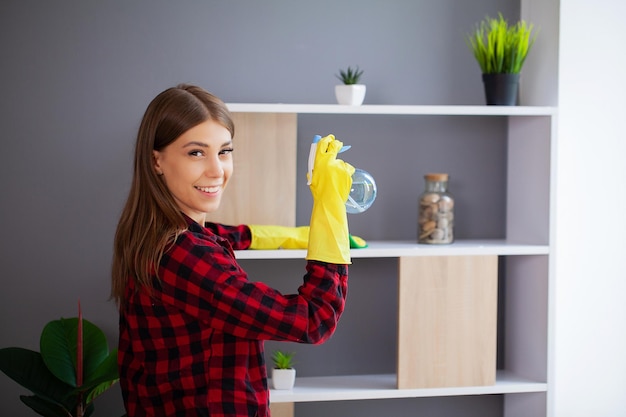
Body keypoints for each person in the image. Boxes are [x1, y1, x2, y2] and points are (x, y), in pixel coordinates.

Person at [110, 84, 359, 417]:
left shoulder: (154, 234)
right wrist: (330, 209)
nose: (217, 170)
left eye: (224, 151)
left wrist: (288, 235)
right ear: (157, 160)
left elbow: (224, 235)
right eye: (196, 152)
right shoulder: (185, 254)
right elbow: (314, 320)